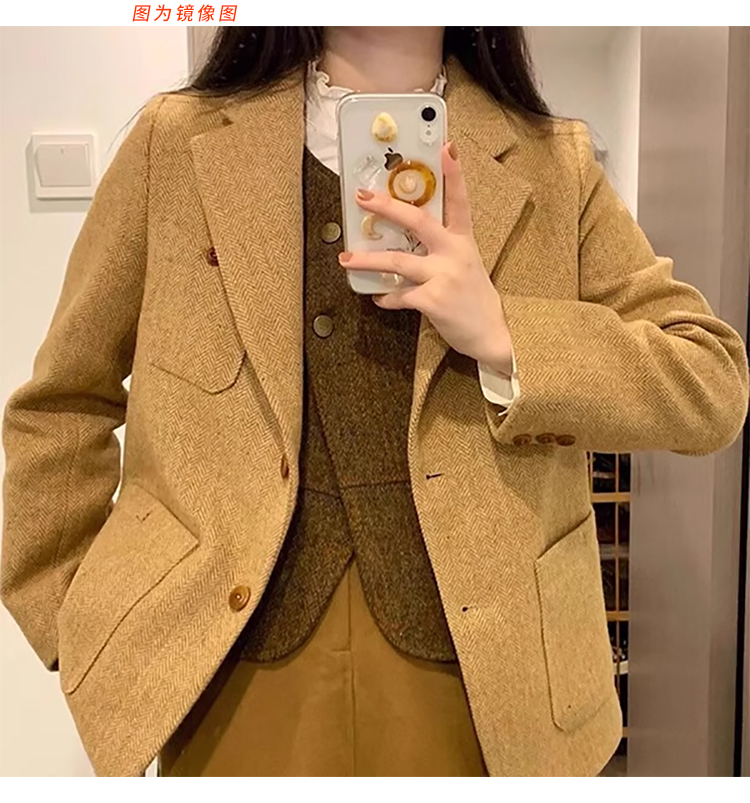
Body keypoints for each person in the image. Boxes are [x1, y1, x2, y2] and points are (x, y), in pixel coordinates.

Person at [1, 25, 747, 778]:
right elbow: (62, 403)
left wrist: (505, 333)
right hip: (226, 675)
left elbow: (709, 378)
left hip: (495, 684)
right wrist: (80, 620)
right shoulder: (174, 145)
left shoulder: (554, 163)